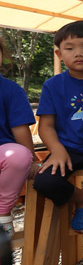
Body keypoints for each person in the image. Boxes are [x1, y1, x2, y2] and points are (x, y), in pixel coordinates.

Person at [32, 20, 83, 234]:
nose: (79, 53)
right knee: (45, 182)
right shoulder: (53, 85)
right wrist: (57, 150)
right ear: (59, 54)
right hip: (68, 149)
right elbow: (45, 126)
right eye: (70, 48)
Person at [0, 35, 34, 237]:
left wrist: (31, 159)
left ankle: (2, 212)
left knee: (19, 155)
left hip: (4, 151)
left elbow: (20, 128)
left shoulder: (11, 90)